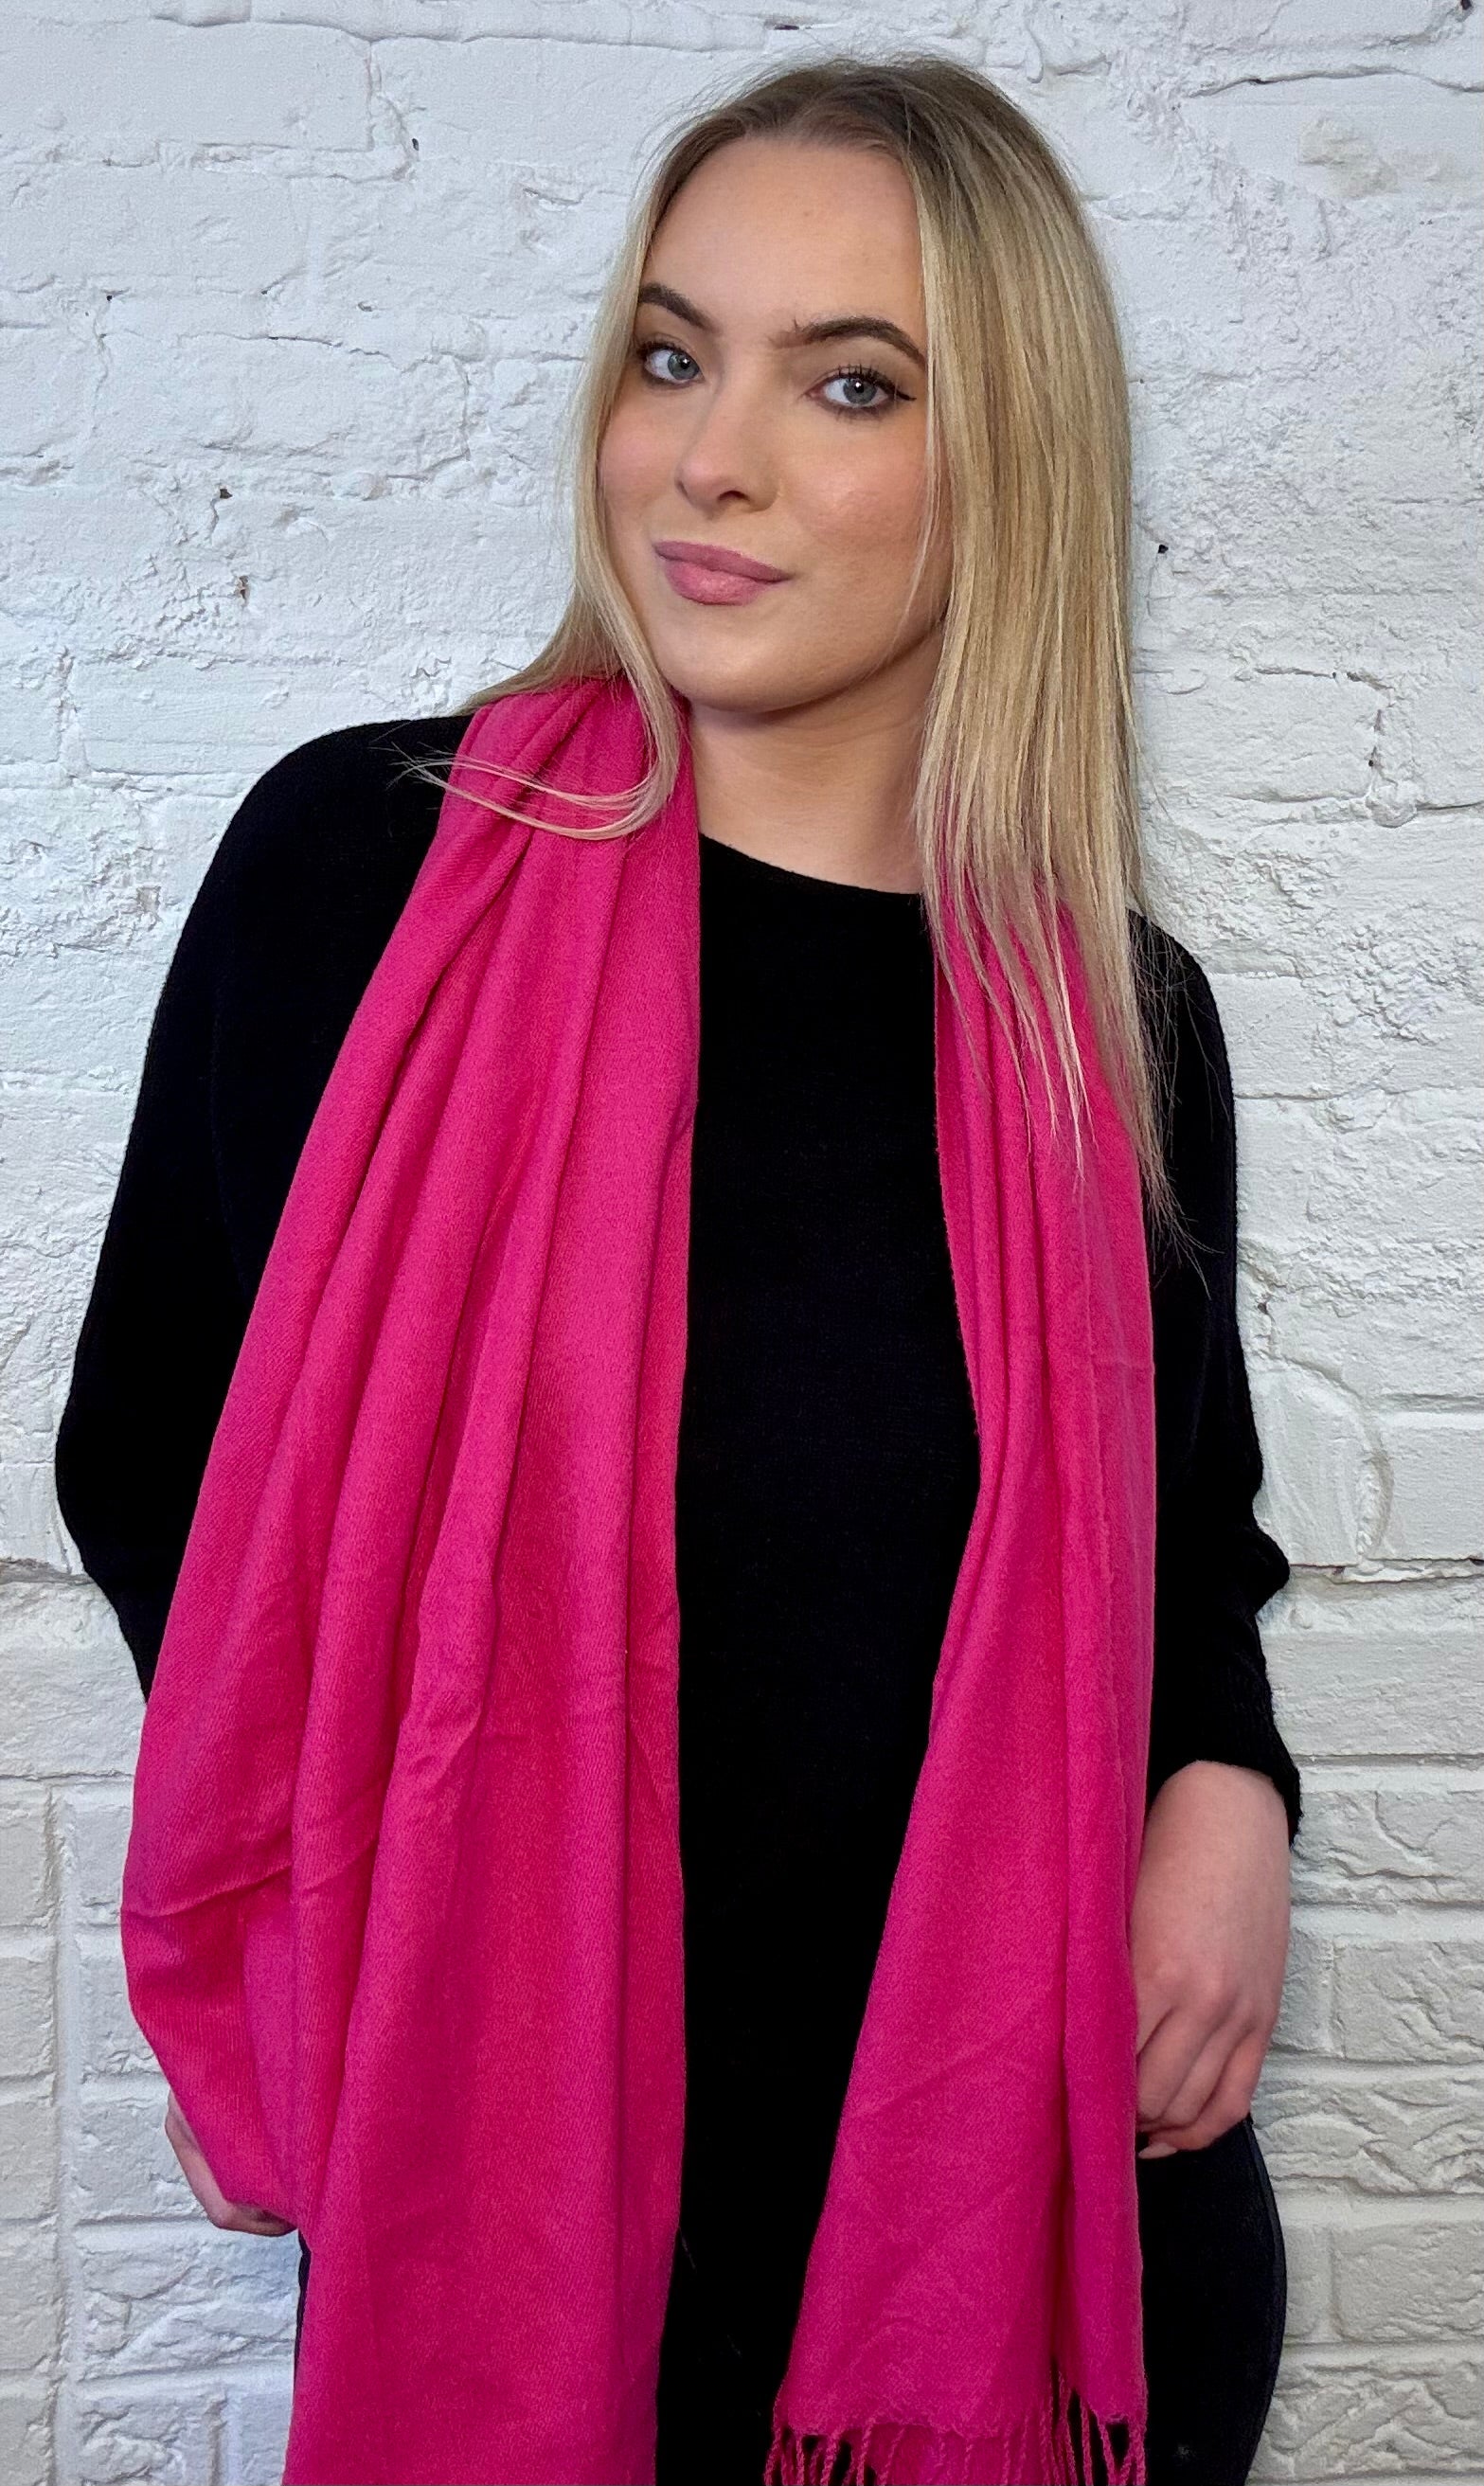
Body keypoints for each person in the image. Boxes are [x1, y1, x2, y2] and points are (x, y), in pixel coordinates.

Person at [55, 51, 1299, 2486]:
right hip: (503, 2179)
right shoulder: (358, 877)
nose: (706, 458)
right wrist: (290, 1925)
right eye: (668, 352)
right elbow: (158, 1457)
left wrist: (1227, 1784)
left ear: (1008, 465)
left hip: (1016, 2213)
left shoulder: (1109, 1018)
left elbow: (1186, 1544)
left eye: (848, 384)